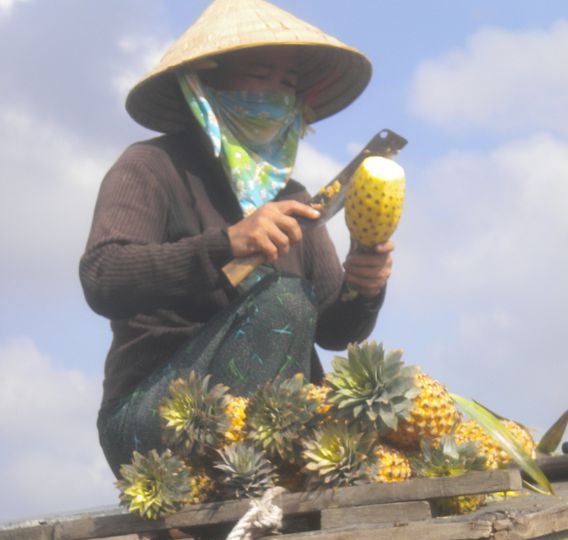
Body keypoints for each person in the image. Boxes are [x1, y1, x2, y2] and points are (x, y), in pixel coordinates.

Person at [80, 0, 394, 477]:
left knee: (376, 414)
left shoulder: (291, 198)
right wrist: (227, 243)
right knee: (282, 301)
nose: (277, 93)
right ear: (206, 85)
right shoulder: (151, 166)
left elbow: (333, 331)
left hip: (266, 432)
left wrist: (364, 288)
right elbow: (103, 276)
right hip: (153, 423)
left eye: (287, 84)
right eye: (262, 75)